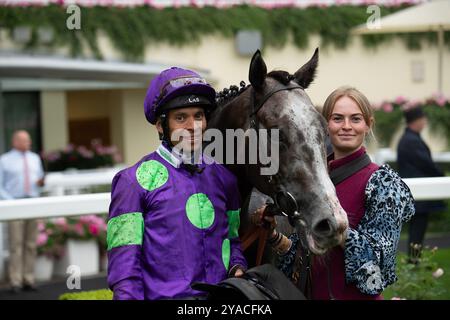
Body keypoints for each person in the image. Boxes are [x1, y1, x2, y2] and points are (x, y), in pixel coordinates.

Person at [254, 86, 415, 299]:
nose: (346, 126)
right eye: (338, 118)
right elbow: (303, 258)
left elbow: (378, 268)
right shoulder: (313, 183)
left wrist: (339, 230)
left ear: (368, 124)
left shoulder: (383, 184)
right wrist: (273, 235)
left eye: (355, 119)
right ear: (325, 125)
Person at [106, 67, 247, 300]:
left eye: (198, 116)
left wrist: (237, 267)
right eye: (181, 118)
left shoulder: (224, 178)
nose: (193, 126)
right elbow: (125, 271)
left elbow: (232, 241)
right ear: (161, 126)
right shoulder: (131, 183)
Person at [397, 106, 446, 261]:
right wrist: (441, 175)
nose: (425, 122)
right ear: (416, 121)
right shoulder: (411, 140)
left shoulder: (409, 138)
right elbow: (427, 164)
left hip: (415, 192)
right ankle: (414, 260)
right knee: (418, 228)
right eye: (423, 119)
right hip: (418, 195)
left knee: (417, 228)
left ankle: (414, 259)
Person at [0, 130, 45, 293]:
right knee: (16, 244)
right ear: (15, 141)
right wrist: (12, 203)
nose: (29, 143)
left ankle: (29, 278)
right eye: (25, 140)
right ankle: (15, 280)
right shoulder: (4, 160)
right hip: (14, 204)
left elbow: (40, 181)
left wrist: (41, 183)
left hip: (32, 202)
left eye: (29, 140)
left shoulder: (35, 158)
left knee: (31, 244)